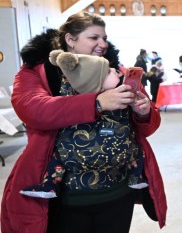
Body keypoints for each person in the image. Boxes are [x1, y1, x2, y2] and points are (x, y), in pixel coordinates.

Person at [0, 12, 167, 233]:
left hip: (116, 194)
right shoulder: (38, 73)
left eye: (104, 37)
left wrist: (143, 112)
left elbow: (147, 127)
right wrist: (97, 102)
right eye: (94, 37)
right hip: (67, 198)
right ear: (70, 40)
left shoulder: (115, 71)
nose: (102, 43)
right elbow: (34, 110)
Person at [19, 50, 148, 199]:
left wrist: (143, 110)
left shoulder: (69, 96)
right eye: (108, 72)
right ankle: (135, 177)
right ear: (96, 82)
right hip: (118, 154)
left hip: (75, 155)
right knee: (136, 150)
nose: (117, 72)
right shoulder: (118, 94)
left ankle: (50, 185)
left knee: (56, 159)